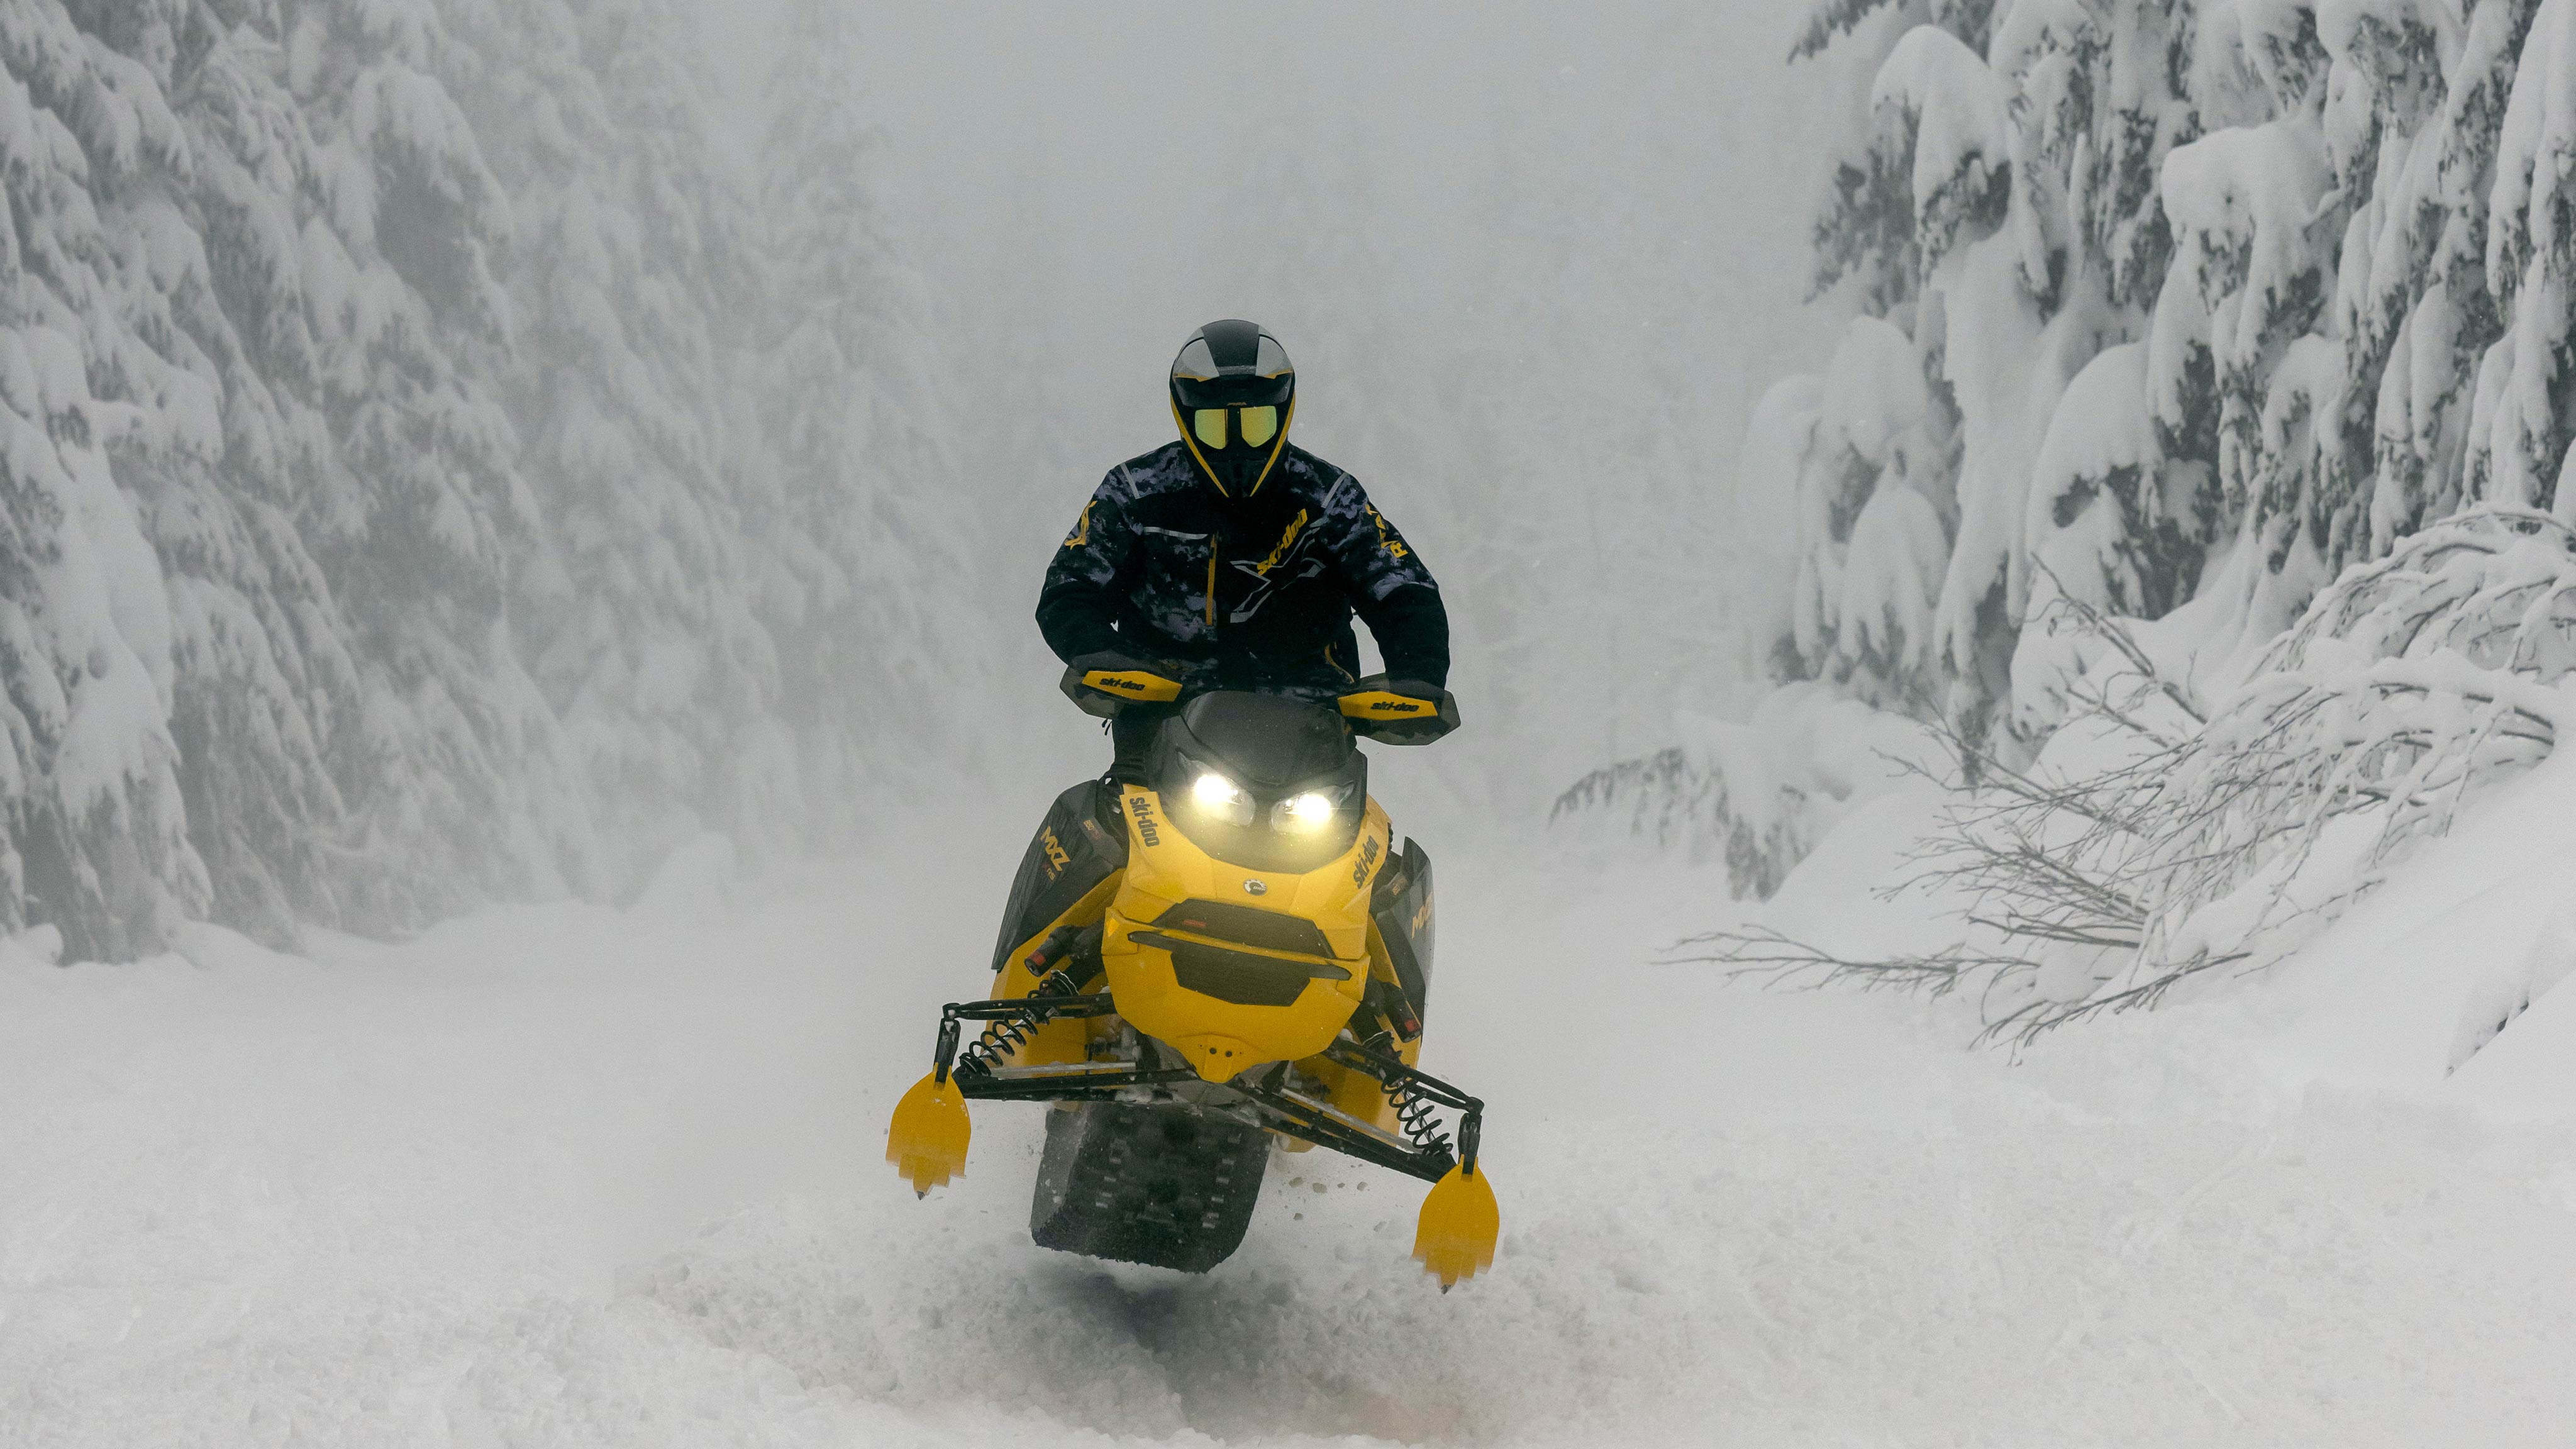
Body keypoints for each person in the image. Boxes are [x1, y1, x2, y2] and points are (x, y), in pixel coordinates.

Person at [1038, 319, 1458, 771]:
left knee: (1377, 841)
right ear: (1186, 419)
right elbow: (1070, 588)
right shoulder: (1136, 494)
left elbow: (1403, 591)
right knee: (1095, 826)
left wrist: (1418, 676)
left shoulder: (1329, 498)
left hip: (1310, 734)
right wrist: (1103, 656)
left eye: (1256, 424)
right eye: (1217, 427)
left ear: (1283, 414)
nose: (1237, 444)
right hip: (1163, 729)